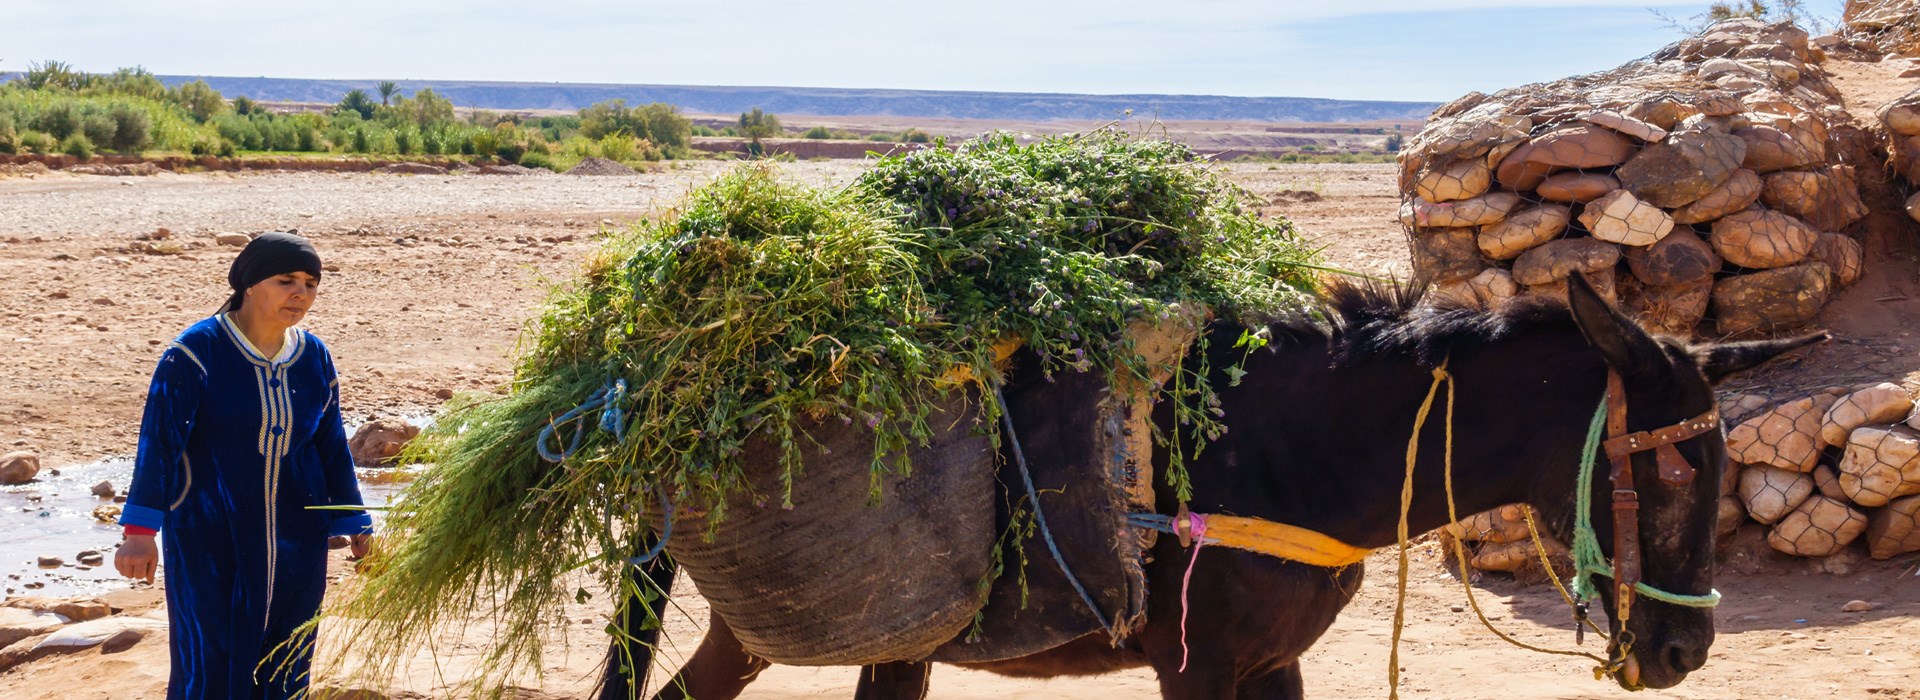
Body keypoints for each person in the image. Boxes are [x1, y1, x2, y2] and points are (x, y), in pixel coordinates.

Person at [114, 232, 374, 699]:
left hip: (299, 539)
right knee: (211, 658)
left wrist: (356, 523)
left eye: (311, 284)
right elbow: (160, 443)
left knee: (288, 657)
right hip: (210, 537)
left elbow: (330, 445)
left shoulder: (313, 356)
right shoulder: (196, 352)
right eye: (286, 280)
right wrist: (139, 532)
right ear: (251, 283)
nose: (301, 294)